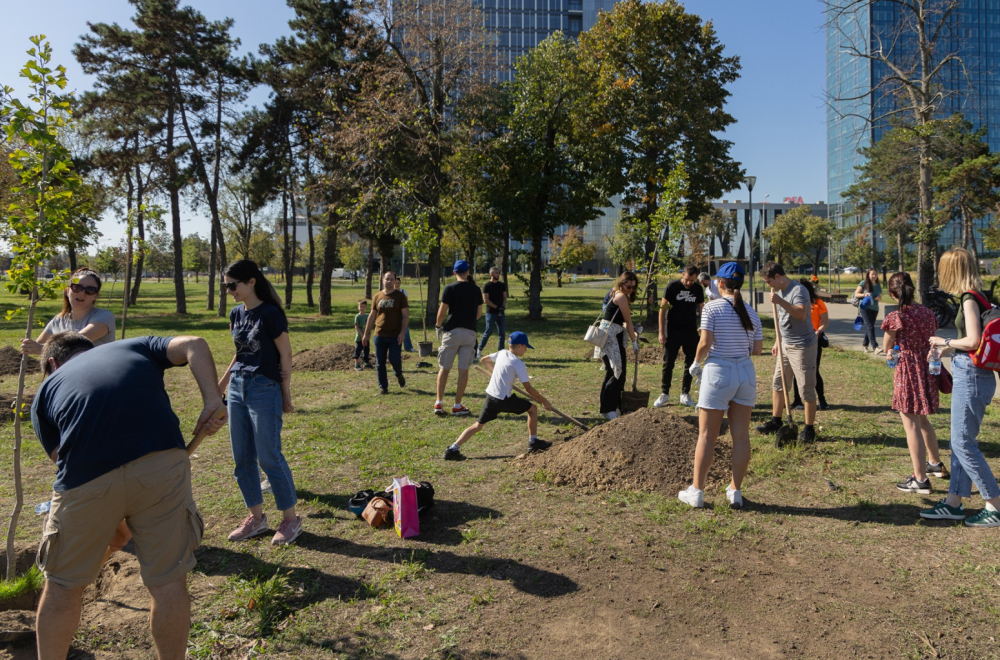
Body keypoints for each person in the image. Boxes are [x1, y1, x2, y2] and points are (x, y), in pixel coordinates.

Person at [31, 332, 227, 660]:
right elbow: (195, 343)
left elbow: (76, 471)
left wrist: (114, 530)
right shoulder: (134, 346)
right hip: (163, 463)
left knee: (63, 586)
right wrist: (212, 400)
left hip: (88, 479)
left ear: (53, 363)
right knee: (168, 581)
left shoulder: (46, 392)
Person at [219, 260, 302, 546]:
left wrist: (285, 392)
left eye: (233, 285)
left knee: (269, 456)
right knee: (242, 459)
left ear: (251, 281)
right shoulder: (236, 313)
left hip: (264, 388)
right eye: (226, 285)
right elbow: (240, 353)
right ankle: (256, 518)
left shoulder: (270, 313)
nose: (229, 290)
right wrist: (221, 386)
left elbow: (286, 355)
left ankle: (291, 520)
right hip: (238, 387)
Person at [922, 248, 1000, 526]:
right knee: (960, 442)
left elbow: (973, 342)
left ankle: (995, 505)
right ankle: (954, 502)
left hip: (972, 375)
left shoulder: (968, 298)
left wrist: (944, 342)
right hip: (974, 373)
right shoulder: (978, 296)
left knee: (963, 443)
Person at [679, 262, 763, 509]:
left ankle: (697, 491)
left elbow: (705, 343)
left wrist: (695, 363)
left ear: (720, 284)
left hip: (719, 371)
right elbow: (757, 349)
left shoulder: (712, 308)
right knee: (741, 436)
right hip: (745, 372)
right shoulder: (752, 312)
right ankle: (735, 491)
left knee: (707, 435)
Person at [880, 272, 945, 495]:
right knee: (922, 418)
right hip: (927, 368)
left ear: (892, 293)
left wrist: (891, 353)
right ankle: (935, 463)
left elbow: (888, 346)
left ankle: (920, 479)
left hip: (907, 369)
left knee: (911, 425)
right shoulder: (927, 312)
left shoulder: (895, 316)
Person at [443, 331, 553, 460]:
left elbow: (484, 360)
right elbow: (528, 388)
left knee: (478, 425)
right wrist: (544, 400)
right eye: (525, 347)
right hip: (503, 399)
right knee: (533, 409)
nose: (526, 350)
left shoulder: (502, 353)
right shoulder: (518, 364)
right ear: (519, 346)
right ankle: (533, 442)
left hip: (491, 397)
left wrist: (496, 373)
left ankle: (452, 449)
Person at [756, 262, 819, 444]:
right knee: (778, 383)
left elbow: (800, 314)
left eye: (769, 282)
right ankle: (776, 421)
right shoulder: (779, 292)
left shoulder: (798, 290)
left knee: (806, 387)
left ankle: (809, 429)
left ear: (778, 277)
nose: (768, 286)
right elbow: (783, 320)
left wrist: (780, 301)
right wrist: (778, 341)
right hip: (785, 344)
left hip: (802, 346)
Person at [20, 268, 116, 356]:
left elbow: (78, 341)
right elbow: (38, 344)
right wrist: (30, 346)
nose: (82, 293)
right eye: (77, 288)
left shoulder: (104, 317)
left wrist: (44, 349)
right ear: (67, 291)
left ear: (95, 295)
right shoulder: (58, 320)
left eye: (90, 290)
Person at [434, 260, 483, 416]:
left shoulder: (449, 288)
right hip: (469, 333)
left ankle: (439, 403)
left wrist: (438, 325)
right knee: (463, 370)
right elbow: (479, 313)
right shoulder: (476, 289)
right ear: (468, 272)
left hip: (452, 332)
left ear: (454, 273)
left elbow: (442, 312)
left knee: (445, 368)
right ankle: (457, 405)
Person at [653, 265, 704, 409]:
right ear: (683, 275)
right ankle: (664, 393)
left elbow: (702, 309)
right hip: (673, 330)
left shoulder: (698, 289)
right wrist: (661, 332)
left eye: (692, 281)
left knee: (691, 363)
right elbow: (662, 310)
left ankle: (685, 393)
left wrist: (703, 326)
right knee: (668, 363)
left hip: (690, 330)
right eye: (687, 280)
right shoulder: (672, 287)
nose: (689, 283)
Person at [595, 271, 639, 420]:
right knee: (616, 373)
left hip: (612, 336)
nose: (630, 289)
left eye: (633, 287)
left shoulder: (614, 293)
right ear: (622, 283)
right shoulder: (620, 296)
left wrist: (634, 334)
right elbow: (628, 320)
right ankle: (608, 409)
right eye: (628, 286)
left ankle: (614, 406)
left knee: (614, 373)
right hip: (612, 338)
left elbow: (623, 322)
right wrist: (633, 341)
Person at [362, 271, 409, 395]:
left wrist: (403, 332)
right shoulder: (377, 296)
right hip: (380, 335)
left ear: (395, 281)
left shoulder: (400, 296)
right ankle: (383, 388)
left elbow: (405, 316)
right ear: (383, 280)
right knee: (380, 362)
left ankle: (398, 374)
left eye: (391, 279)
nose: (389, 281)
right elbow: (372, 315)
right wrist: (366, 333)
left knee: (394, 359)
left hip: (395, 335)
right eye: (387, 279)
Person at [790, 279, 830, 411]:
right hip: (798, 339)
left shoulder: (818, 303)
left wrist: (819, 331)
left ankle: (822, 400)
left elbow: (824, 320)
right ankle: (797, 400)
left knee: (813, 370)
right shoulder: (794, 302)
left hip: (814, 340)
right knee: (796, 371)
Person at [477, 266, 508, 358]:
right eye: (495, 273)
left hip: (500, 313)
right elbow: (485, 300)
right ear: (491, 274)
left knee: (502, 333)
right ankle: (479, 349)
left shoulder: (502, 285)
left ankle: (501, 353)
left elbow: (505, 297)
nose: (497, 274)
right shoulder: (487, 286)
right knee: (488, 331)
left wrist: (502, 307)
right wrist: (496, 307)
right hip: (491, 312)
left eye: (498, 272)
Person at [854, 267, 883, 354]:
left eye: (875, 274)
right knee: (870, 326)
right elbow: (856, 294)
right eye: (872, 274)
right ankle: (875, 347)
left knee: (869, 327)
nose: (874, 276)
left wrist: (879, 298)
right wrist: (864, 294)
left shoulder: (878, 284)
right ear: (868, 275)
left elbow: (880, 295)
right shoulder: (863, 283)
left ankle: (865, 345)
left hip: (875, 308)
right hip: (865, 308)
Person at [394, 274, 415, 352]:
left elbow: (406, 303)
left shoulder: (403, 292)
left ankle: (408, 347)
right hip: (394, 314)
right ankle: (395, 346)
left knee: (405, 330)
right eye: (395, 283)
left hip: (402, 314)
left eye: (398, 283)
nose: (397, 284)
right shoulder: (391, 292)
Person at [353, 299, 372, 371]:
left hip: (366, 337)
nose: (362, 308)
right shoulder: (357, 317)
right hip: (359, 338)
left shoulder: (368, 316)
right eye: (360, 306)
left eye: (363, 307)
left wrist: (369, 334)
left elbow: (369, 326)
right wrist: (361, 335)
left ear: (366, 307)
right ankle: (356, 364)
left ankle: (366, 362)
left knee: (366, 350)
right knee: (358, 350)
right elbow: (356, 327)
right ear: (358, 307)